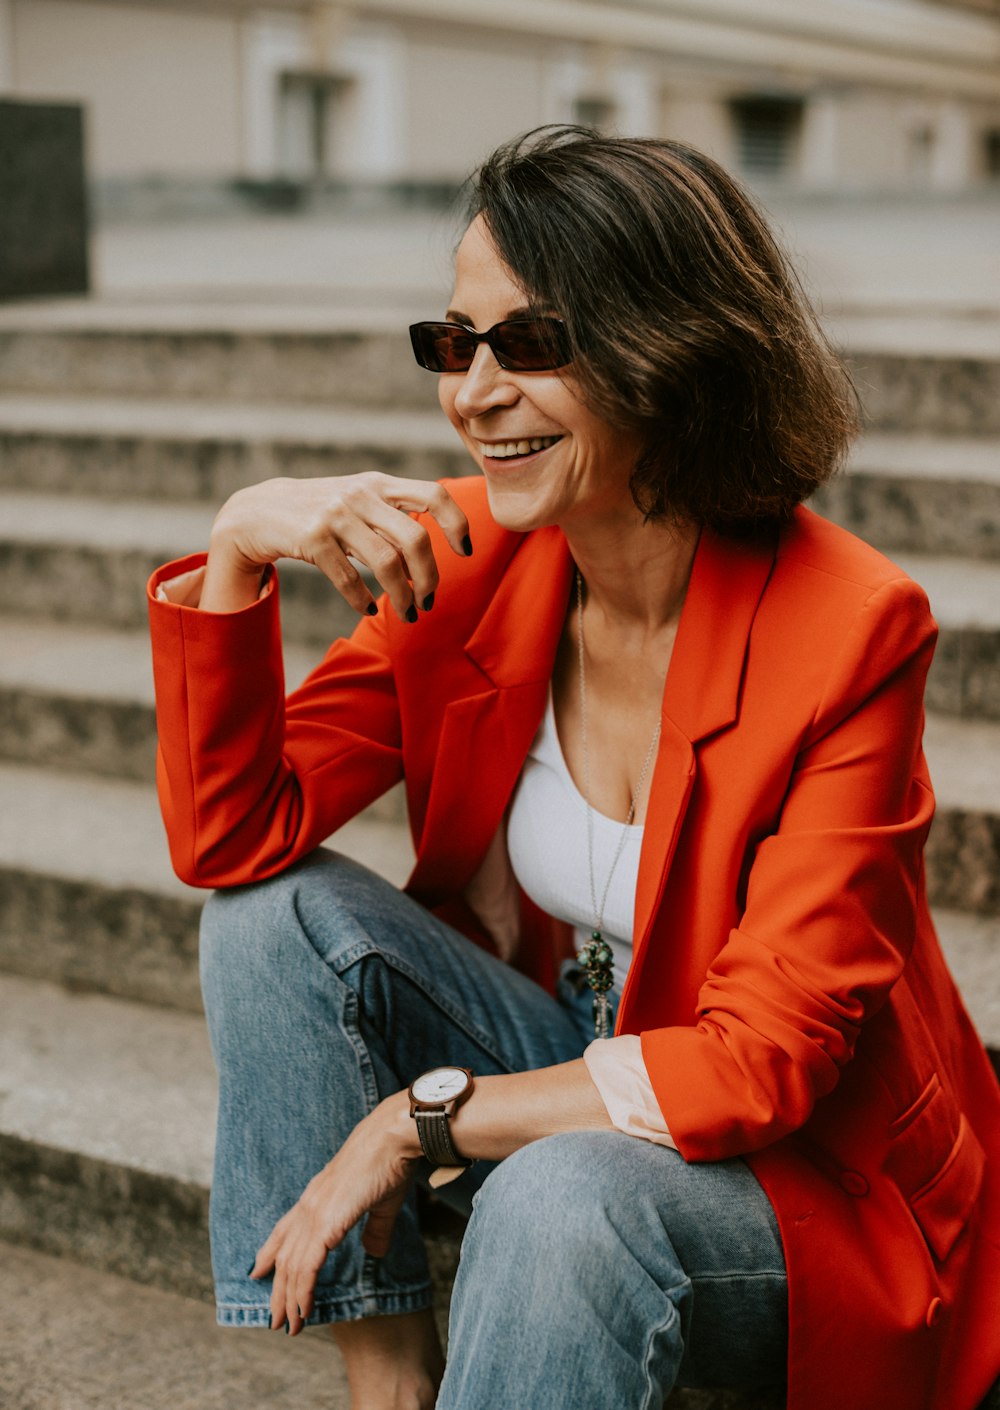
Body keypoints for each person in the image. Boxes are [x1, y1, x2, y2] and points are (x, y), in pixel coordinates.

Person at [147, 127, 1000, 1410]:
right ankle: (392, 1387)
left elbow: (763, 1059)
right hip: (578, 1055)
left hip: (807, 1176)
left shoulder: (849, 627)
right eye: (453, 343)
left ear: (670, 352)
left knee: (558, 1194)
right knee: (270, 920)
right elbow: (232, 840)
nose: (472, 392)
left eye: (530, 344)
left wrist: (408, 1123)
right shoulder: (467, 562)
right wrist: (233, 554)